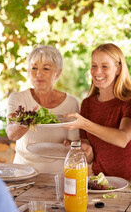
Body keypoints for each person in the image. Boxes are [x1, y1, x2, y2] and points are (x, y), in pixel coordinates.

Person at [63, 43, 131, 180]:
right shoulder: (87, 104)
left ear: (118, 69)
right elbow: (91, 155)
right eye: (94, 65)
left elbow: (122, 138)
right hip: (103, 182)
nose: (97, 72)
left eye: (105, 66)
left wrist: (84, 124)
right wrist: (80, 149)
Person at [6, 45, 80, 174]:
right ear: (28, 71)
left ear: (58, 72)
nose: (38, 73)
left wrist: (69, 143)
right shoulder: (17, 99)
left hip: (58, 173)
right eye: (34, 68)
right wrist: (28, 120)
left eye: (46, 68)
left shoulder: (71, 103)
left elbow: (74, 141)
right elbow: (12, 134)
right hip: (23, 172)